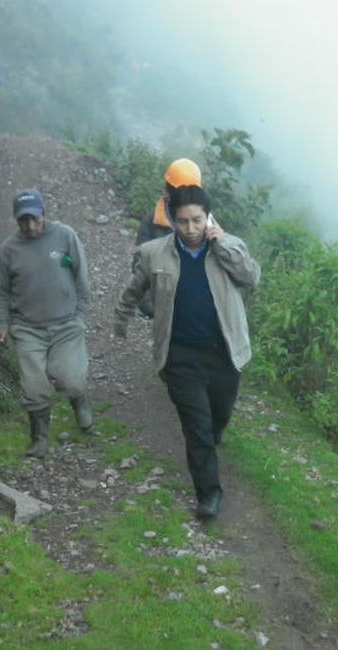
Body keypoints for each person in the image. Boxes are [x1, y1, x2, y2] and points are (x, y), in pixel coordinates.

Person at [114, 185, 260, 519]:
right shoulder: (154, 254)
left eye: (197, 220)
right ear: (172, 220)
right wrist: (120, 321)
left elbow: (252, 278)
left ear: (207, 218)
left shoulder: (228, 246)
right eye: (183, 221)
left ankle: (213, 438)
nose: (190, 229)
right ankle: (208, 494)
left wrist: (223, 244)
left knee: (218, 416)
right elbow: (133, 289)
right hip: (180, 355)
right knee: (196, 427)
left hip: (224, 353)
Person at [0, 188, 93, 459]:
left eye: (34, 219)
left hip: (66, 325)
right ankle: (39, 439)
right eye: (23, 220)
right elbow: (0, 291)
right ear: (16, 220)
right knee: (34, 387)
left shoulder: (65, 236)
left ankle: (79, 399)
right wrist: (2, 322)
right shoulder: (8, 250)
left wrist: (79, 310)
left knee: (71, 380)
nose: (30, 225)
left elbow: (79, 272)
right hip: (27, 328)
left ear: (44, 215)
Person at [132, 158, 202, 318]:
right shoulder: (152, 223)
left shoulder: (206, 223)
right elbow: (140, 268)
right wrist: (151, 307)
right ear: (169, 192)